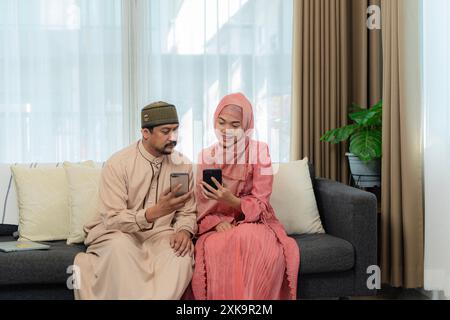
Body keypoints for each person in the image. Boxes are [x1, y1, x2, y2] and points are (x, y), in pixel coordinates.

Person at [74, 101, 197, 300]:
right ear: (145, 133)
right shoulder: (118, 164)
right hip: (117, 232)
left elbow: (187, 212)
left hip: (160, 235)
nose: (173, 138)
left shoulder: (182, 165)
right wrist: (153, 212)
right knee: (120, 249)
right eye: (165, 131)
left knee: (181, 256)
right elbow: (113, 219)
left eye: (175, 130)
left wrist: (184, 230)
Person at [191, 93, 300, 300]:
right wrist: (217, 223)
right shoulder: (206, 156)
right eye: (221, 123)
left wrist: (231, 201)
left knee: (250, 238)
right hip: (217, 227)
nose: (225, 130)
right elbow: (201, 204)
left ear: (247, 126)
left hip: (256, 221)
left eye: (234, 125)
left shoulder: (261, 152)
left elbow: (262, 201)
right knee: (218, 248)